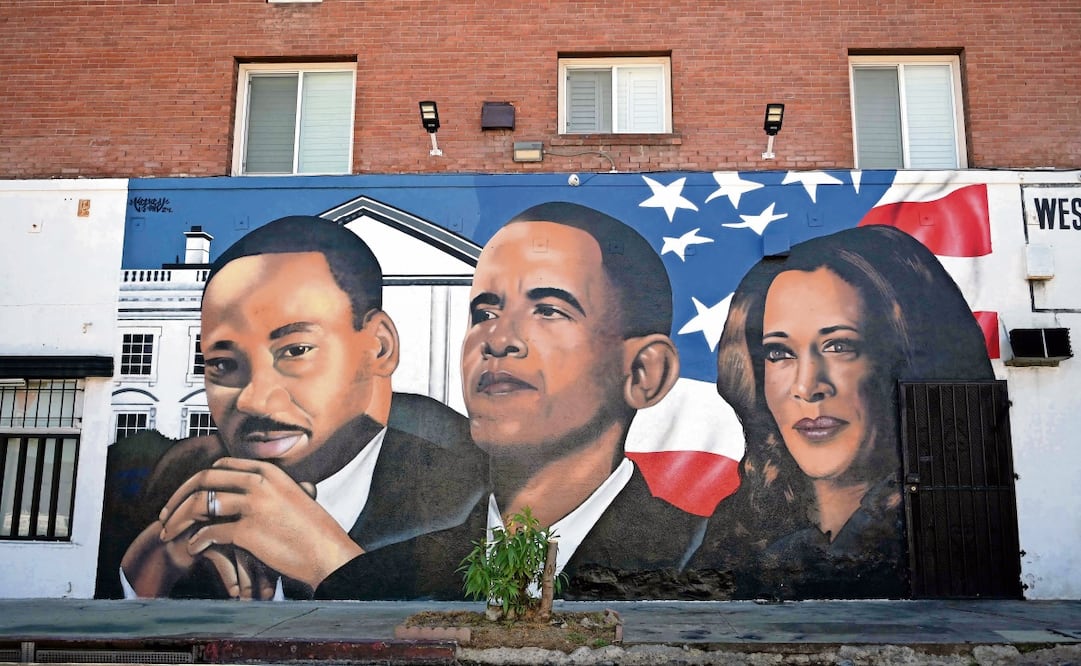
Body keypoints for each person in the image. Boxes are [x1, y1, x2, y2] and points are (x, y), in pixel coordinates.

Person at [314, 202, 707, 600]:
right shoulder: (381, 578)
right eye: (484, 312)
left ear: (644, 372)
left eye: (549, 310)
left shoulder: (703, 561)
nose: (498, 340)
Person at [95, 215, 486, 600]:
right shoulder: (171, 485)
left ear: (379, 348)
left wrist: (334, 566)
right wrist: (145, 579)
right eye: (223, 365)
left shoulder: (474, 492)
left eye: (295, 351)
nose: (252, 399)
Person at [689, 224, 994, 599]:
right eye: (779, 353)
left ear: (903, 357)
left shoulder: (953, 527)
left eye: (838, 346)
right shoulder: (733, 533)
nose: (807, 387)